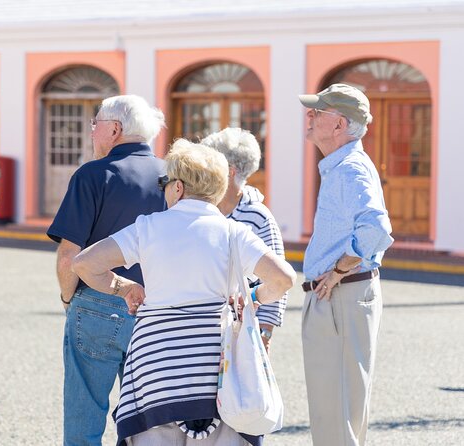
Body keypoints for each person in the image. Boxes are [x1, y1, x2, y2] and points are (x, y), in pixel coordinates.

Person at [72, 139, 296, 445]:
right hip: (219, 373)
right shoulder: (234, 233)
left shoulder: (147, 228)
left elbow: (84, 264)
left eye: (164, 183)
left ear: (177, 187)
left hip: (156, 368)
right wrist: (253, 299)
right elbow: (283, 278)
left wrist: (124, 287)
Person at [46, 94, 167, 445]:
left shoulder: (93, 175)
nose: (91, 130)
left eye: (95, 123)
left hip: (98, 302)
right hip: (156, 307)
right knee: (145, 423)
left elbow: (69, 256)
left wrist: (68, 298)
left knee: (84, 419)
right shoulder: (173, 177)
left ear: (114, 129)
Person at [298, 83, 393, 446]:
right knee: (339, 413)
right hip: (343, 296)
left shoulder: (349, 168)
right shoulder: (344, 165)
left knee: (335, 414)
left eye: (317, 111)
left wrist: (337, 270)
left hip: (341, 295)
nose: (309, 116)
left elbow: (377, 230)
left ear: (339, 124)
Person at [201, 128, 287, 353]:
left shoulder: (259, 216)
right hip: (203, 326)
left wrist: (265, 332)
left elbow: (277, 279)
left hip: (241, 329)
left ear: (228, 172)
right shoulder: (203, 208)